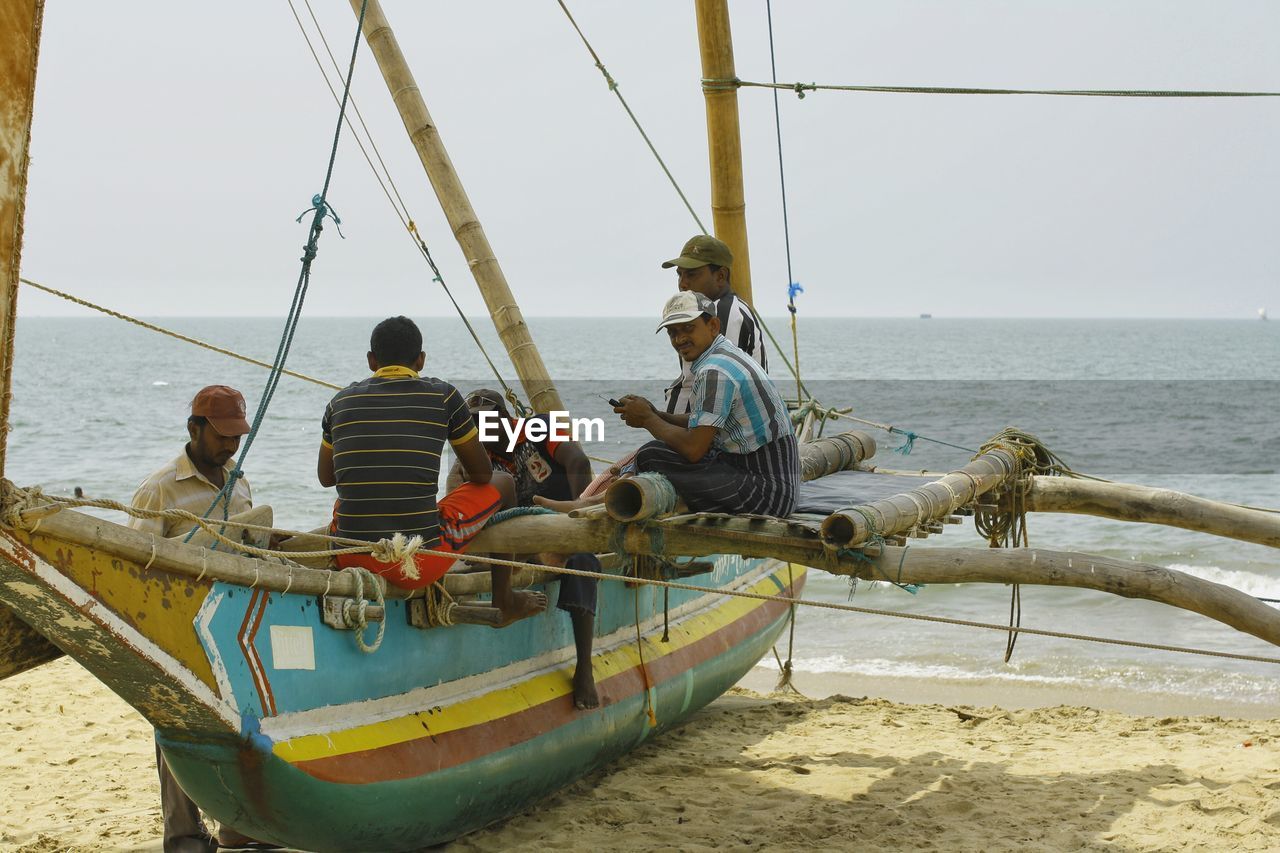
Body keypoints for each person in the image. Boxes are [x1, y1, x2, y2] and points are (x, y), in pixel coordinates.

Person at [317, 316, 545, 625]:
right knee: (503, 481)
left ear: (372, 360)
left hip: (351, 554)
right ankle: (504, 599)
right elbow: (480, 475)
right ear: (421, 360)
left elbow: (326, 478)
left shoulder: (338, 402)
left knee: (348, 497)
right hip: (414, 564)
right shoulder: (444, 395)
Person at [127, 385, 267, 852]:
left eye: (236, 437)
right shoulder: (160, 488)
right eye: (222, 435)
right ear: (194, 429)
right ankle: (184, 834)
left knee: (245, 723)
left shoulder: (240, 482)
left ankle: (238, 824)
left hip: (235, 625)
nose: (230, 445)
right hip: (179, 627)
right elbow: (134, 570)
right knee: (177, 725)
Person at [451, 389, 600, 709]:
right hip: (518, 540)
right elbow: (453, 492)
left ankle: (584, 666)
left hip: (562, 525)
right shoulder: (477, 455)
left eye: (486, 423)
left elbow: (578, 460)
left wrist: (577, 510)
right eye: (473, 427)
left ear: (506, 420)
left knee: (582, 562)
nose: (480, 432)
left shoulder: (538, 428)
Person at [617, 292, 799, 517]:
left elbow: (694, 450)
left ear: (713, 325)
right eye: (673, 332)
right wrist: (657, 414)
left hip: (765, 498)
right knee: (659, 451)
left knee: (651, 454)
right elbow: (705, 421)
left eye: (688, 329)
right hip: (777, 488)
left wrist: (647, 419)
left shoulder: (714, 371)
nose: (679, 339)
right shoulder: (726, 355)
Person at [660, 235, 769, 415]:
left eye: (692, 274)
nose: (682, 283)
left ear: (720, 276)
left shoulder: (724, 314)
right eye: (679, 274)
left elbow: (715, 396)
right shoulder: (710, 312)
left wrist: (654, 419)